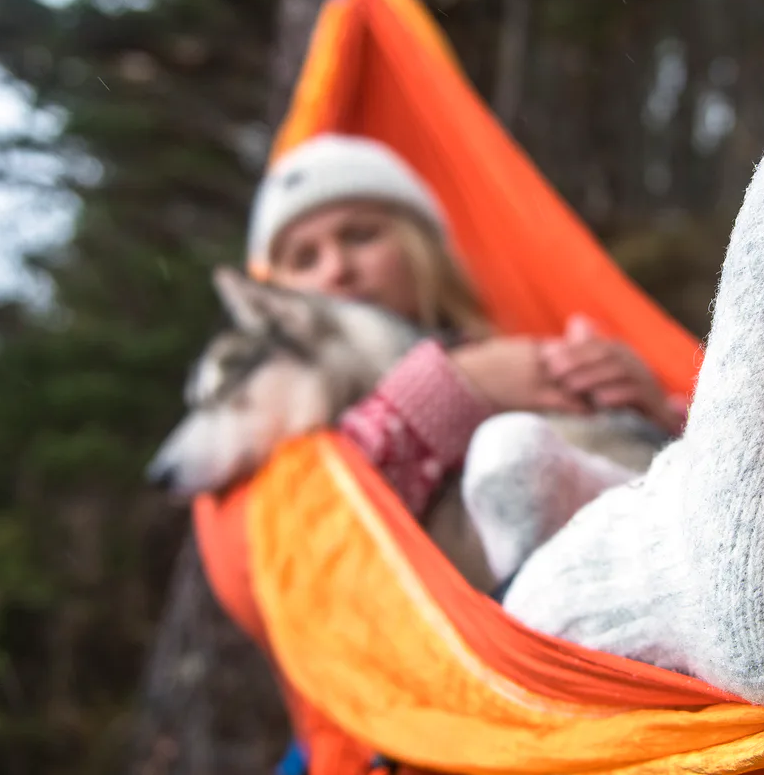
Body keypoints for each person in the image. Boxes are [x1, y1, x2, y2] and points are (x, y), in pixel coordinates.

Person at [244, 134, 684, 530]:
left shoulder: (508, 353)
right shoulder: (275, 414)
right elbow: (313, 530)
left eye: (360, 236)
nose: (336, 270)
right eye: (304, 260)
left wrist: (652, 413)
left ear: (421, 246)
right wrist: (453, 389)